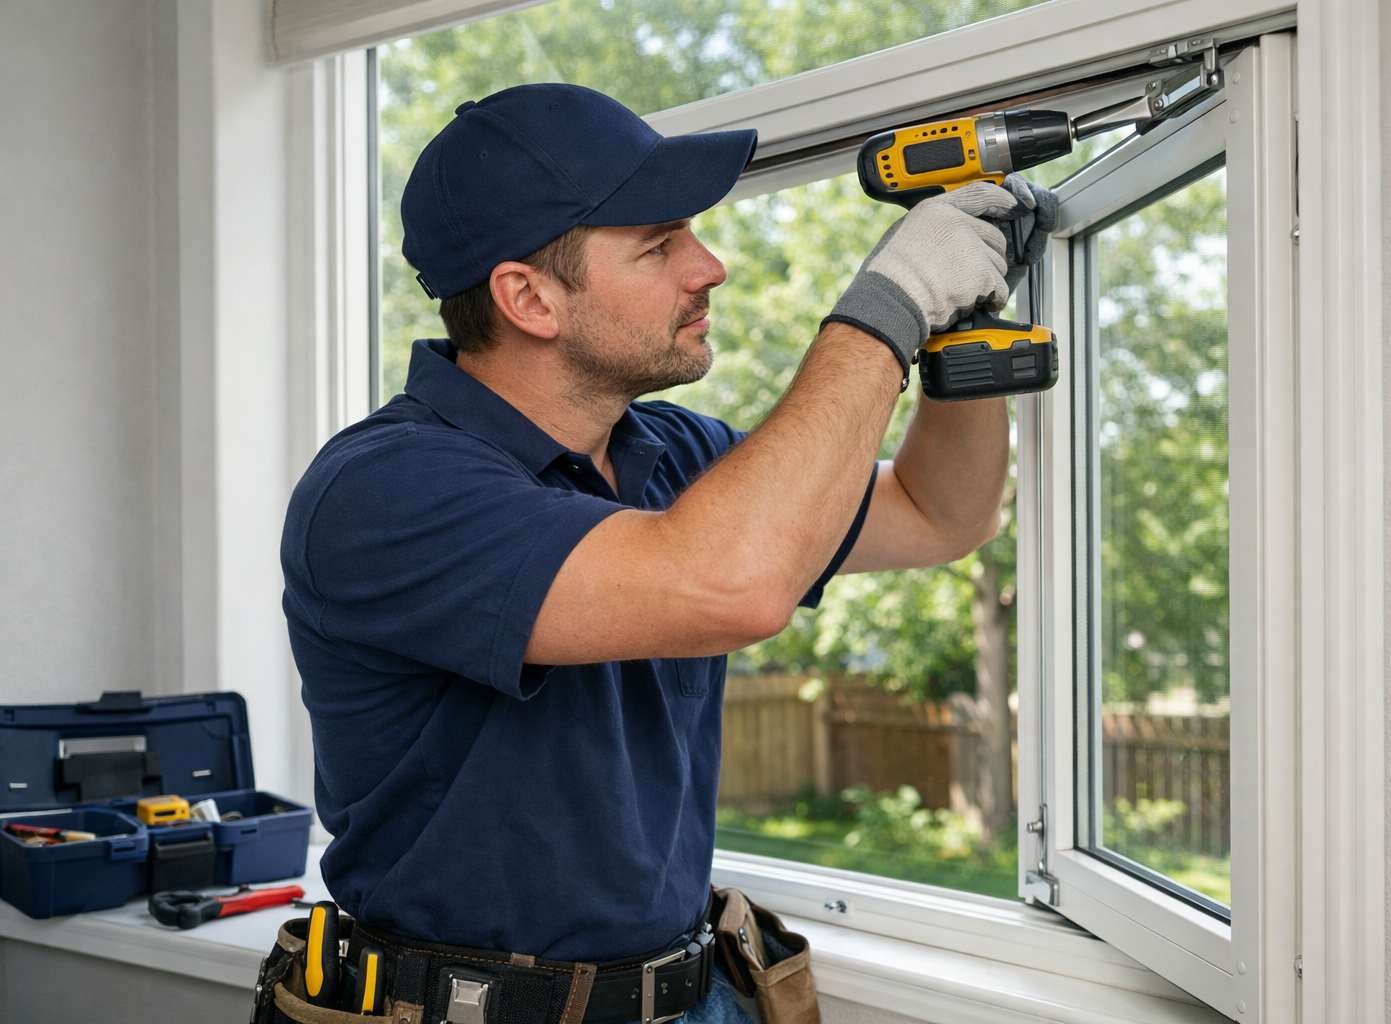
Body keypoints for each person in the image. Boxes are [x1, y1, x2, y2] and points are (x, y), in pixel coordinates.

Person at [279, 83, 1051, 1023]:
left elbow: (939, 514)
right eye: (659, 245)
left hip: (692, 993)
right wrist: (887, 306)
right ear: (528, 298)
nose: (710, 265)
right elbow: (731, 585)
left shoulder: (675, 455)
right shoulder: (384, 492)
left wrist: (957, 325)